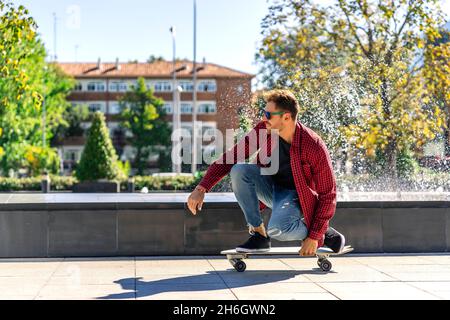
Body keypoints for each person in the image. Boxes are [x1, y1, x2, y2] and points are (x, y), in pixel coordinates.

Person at [187, 89, 345, 256]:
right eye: (264, 113)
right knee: (240, 170)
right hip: (272, 190)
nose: (263, 118)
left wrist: (314, 236)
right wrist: (201, 188)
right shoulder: (264, 131)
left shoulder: (312, 145)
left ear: (286, 117)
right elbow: (231, 157)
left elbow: (328, 194)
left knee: (278, 229)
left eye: (268, 115)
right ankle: (259, 235)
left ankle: (324, 233)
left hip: (299, 197)